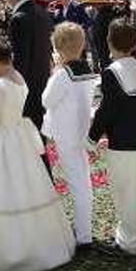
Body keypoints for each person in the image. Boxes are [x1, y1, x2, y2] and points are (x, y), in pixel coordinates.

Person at [0, 38, 75, 271]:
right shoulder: (18, 77)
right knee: (28, 187)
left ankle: (6, 252)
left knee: (0, 190)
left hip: (3, 140)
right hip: (19, 137)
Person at [88, 20, 136, 256]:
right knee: (133, 188)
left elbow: (107, 110)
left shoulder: (112, 72)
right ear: (135, 44)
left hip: (122, 142)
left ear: (109, 42)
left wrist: (92, 138)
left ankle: (128, 241)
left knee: (124, 191)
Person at [42, 23, 97, 250]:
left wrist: (55, 72)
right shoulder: (89, 70)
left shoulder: (63, 75)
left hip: (66, 134)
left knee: (78, 184)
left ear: (58, 48)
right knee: (82, 181)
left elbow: (46, 100)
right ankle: (84, 230)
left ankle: (83, 236)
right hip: (82, 130)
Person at [3, 0, 53, 173]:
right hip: (41, 83)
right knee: (37, 144)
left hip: (26, 91)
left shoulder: (19, 18)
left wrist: (10, 91)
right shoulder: (41, 12)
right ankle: (44, 185)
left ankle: (41, 188)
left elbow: (20, 63)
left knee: (29, 146)